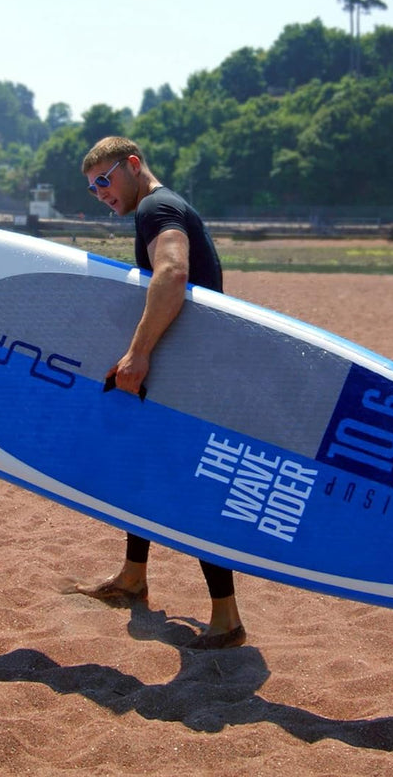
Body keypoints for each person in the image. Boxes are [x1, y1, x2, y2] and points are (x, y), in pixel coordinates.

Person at [75, 135, 246, 650]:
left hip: (191, 375)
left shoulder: (156, 206)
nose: (100, 193)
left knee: (191, 488)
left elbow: (172, 272)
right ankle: (133, 576)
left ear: (133, 165)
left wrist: (139, 351)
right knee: (138, 468)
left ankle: (226, 619)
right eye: (91, 188)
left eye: (105, 180)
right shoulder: (156, 207)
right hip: (186, 369)